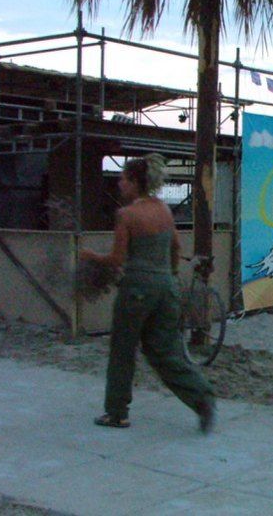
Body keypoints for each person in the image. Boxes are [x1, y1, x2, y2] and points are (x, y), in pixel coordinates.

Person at [80, 154, 216, 432]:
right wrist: (171, 276)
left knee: (123, 350)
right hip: (166, 287)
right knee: (165, 351)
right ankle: (201, 397)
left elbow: (117, 260)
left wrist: (90, 255)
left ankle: (117, 412)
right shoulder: (164, 210)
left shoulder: (126, 215)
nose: (119, 184)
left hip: (136, 289)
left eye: (123, 179)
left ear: (134, 182)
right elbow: (175, 247)